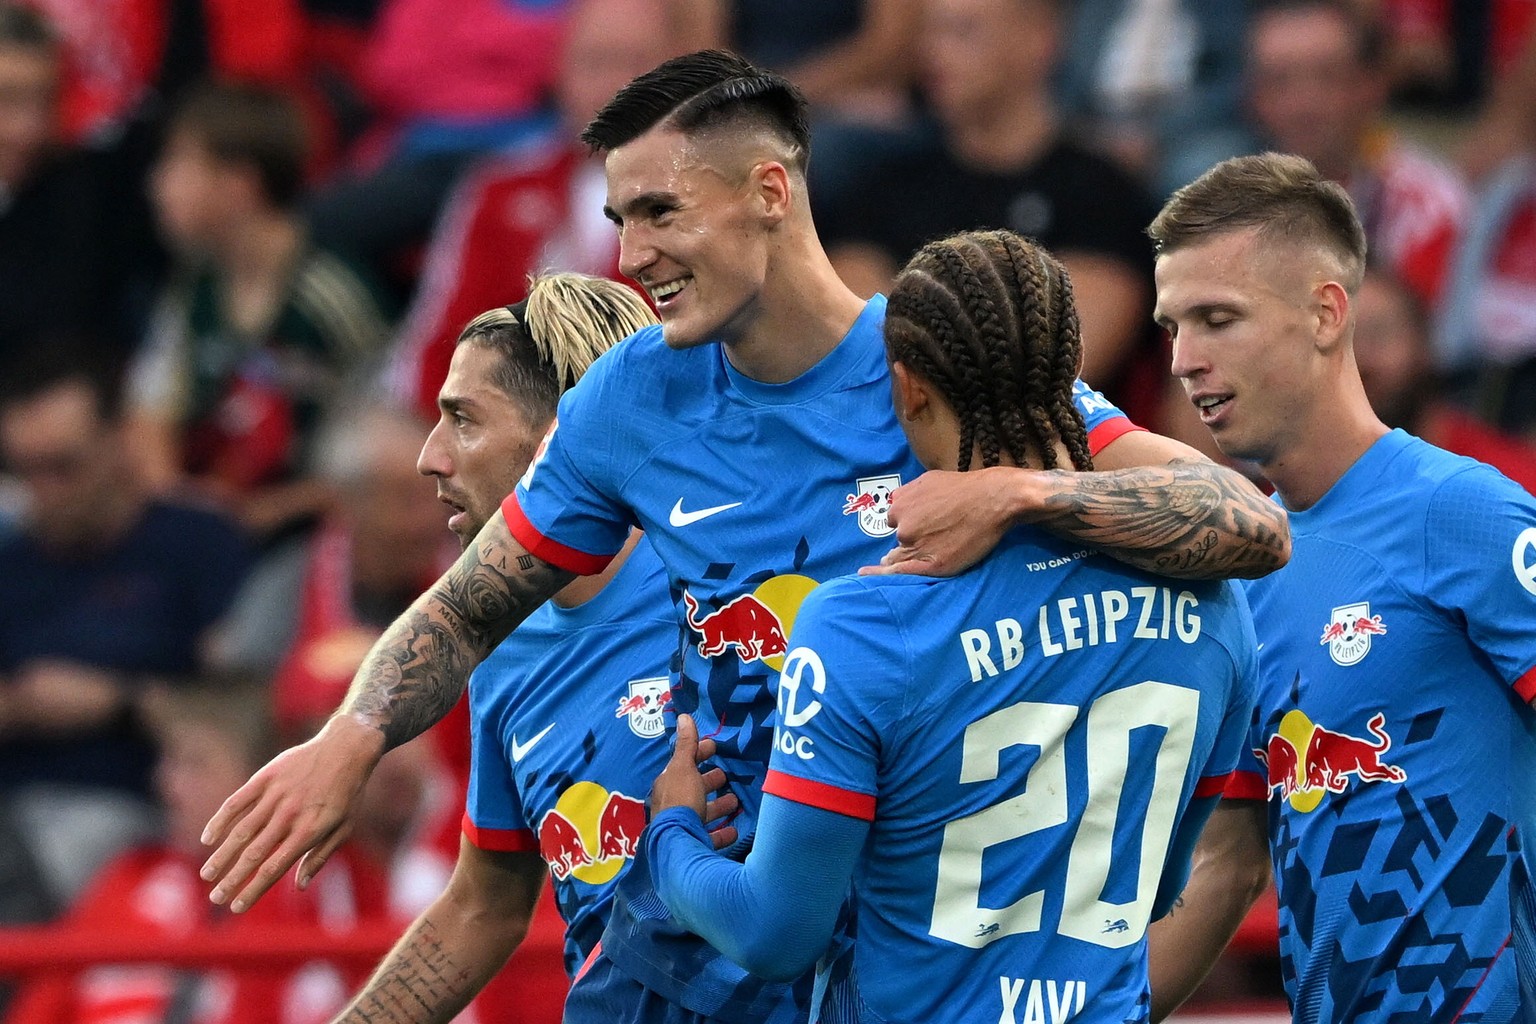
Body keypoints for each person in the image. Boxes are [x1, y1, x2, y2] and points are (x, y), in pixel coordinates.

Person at [200, 50, 1288, 1024]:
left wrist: (1015, 496)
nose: (633, 254)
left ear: (770, 192)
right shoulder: (629, 402)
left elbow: (1245, 522)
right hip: (719, 946)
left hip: (904, 950)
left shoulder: (929, 371)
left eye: (661, 212)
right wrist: (349, 740)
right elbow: (467, 605)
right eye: (621, 218)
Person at [644, 228, 1257, 1024]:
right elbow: (1163, 881)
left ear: (906, 387)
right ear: (1069, 371)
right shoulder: (1216, 602)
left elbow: (774, 933)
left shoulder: (863, 622)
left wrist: (672, 837)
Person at [1144, 152, 1536, 1022]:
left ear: (1326, 313)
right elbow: (1228, 864)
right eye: (1172, 326)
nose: (1184, 359)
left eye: (1218, 318)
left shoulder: (1460, 513)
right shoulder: (1237, 579)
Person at [333, 273, 683, 1024]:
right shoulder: (505, 653)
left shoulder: (717, 583)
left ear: (562, 434)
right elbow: (483, 906)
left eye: (463, 421)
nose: (430, 458)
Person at [0, 344, 253, 911]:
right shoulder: (9, 563)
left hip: (140, 808)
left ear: (119, 442)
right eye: (24, 470)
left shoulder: (197, 546)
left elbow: (244, 707)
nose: (43, 491)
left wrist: (118, 703)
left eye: (64, 466)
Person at [820, 0, 1159, 407]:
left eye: (963, 31)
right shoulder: (885, 183)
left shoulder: (1099, 193)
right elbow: (851, 335)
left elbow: (1069, 355)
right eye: (929, 32)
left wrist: (917, 323)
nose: (934, 52)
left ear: (1038, 41)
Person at [3, 680, 392, 1024]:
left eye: (195, 764)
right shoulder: (130, 877)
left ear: (265, 775)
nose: (167, 784)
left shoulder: (323, 886)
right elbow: (43, 1003)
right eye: (169, 761)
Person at [128, 79, 393, 541]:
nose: (156, 185)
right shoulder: (194, 288)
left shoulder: (334, 296)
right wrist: (180, 496)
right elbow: (150, 409)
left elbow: (389, 447)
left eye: (176, 163)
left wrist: (261, 513)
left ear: (238, 185)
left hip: (312, 534)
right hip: (210, 523)